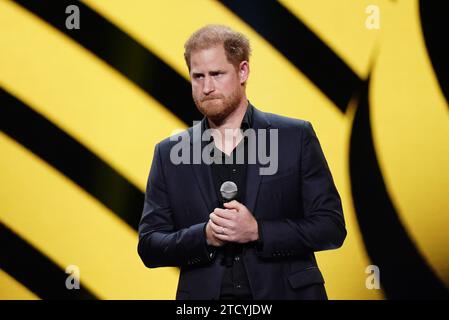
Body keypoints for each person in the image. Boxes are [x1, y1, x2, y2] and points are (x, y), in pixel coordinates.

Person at [138, 25, 346, 300]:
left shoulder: (295, 137)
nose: (207, 87)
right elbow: (150, 245)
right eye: (197, 76)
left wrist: (258, 232)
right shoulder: (169, 153)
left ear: (243, 71)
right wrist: (204, 237)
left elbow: (331, 227)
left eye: (217, 74)